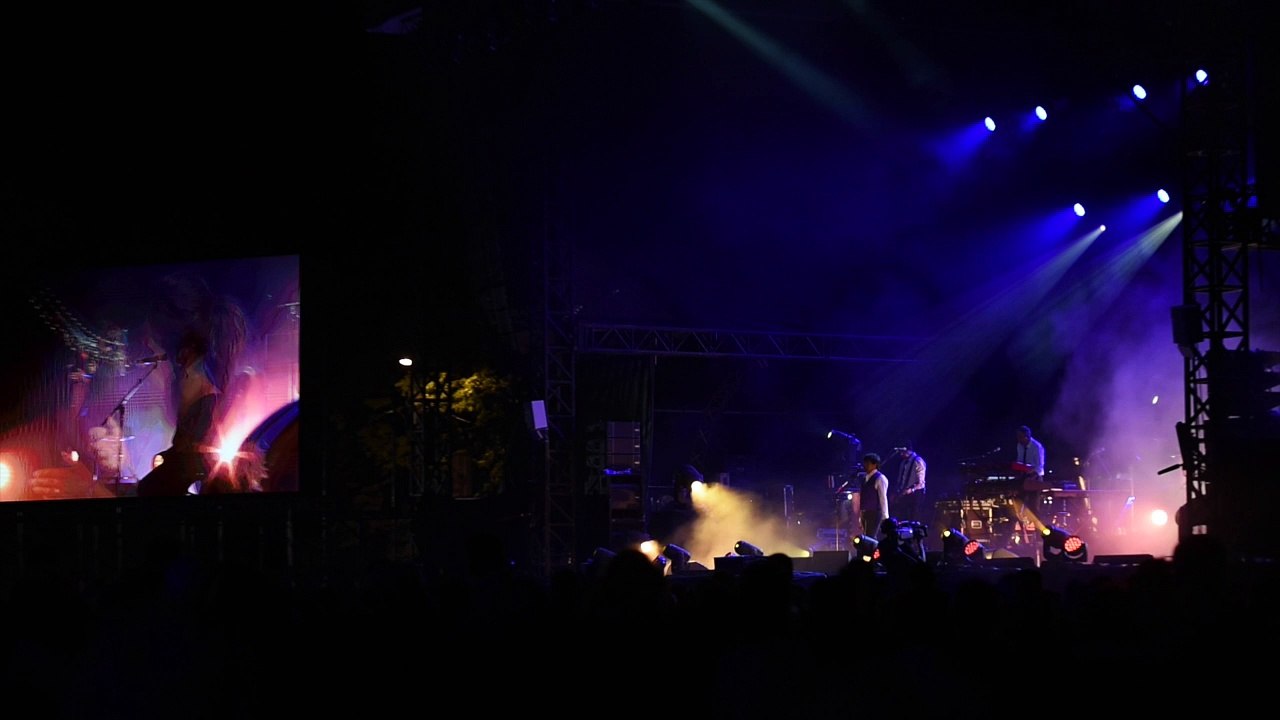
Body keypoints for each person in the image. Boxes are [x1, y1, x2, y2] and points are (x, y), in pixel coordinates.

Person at [136, 331, 222, 496]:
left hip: (192, 457)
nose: (178, 353)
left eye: (182, 349)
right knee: (149, 486)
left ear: (190, 350)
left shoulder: (205, 388)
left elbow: (198, 434)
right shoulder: (186, 381)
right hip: (183, 454)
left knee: (149, 488)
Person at [891, 442, 927, 525]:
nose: (900, 454)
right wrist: (896, 492)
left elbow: (921, 482)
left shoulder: (918, 461)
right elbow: (900, 479)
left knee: (913, 518)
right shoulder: (903, 463)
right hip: (903, 493)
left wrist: (910, 490)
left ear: (907, 450)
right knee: (902, 517)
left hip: (915, 494)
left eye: (901, 451)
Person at [858, 453, 889, 539]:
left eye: (868, 463)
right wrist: (860, 517)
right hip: (865, 513)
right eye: (865, 463)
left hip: (874, 513)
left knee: (871, 538)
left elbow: (883, 498)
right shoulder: (865, 478)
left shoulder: (880, 478)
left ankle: (874, 552)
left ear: (875, 464)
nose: (865, 465)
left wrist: (885, 517)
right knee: (866, 538)